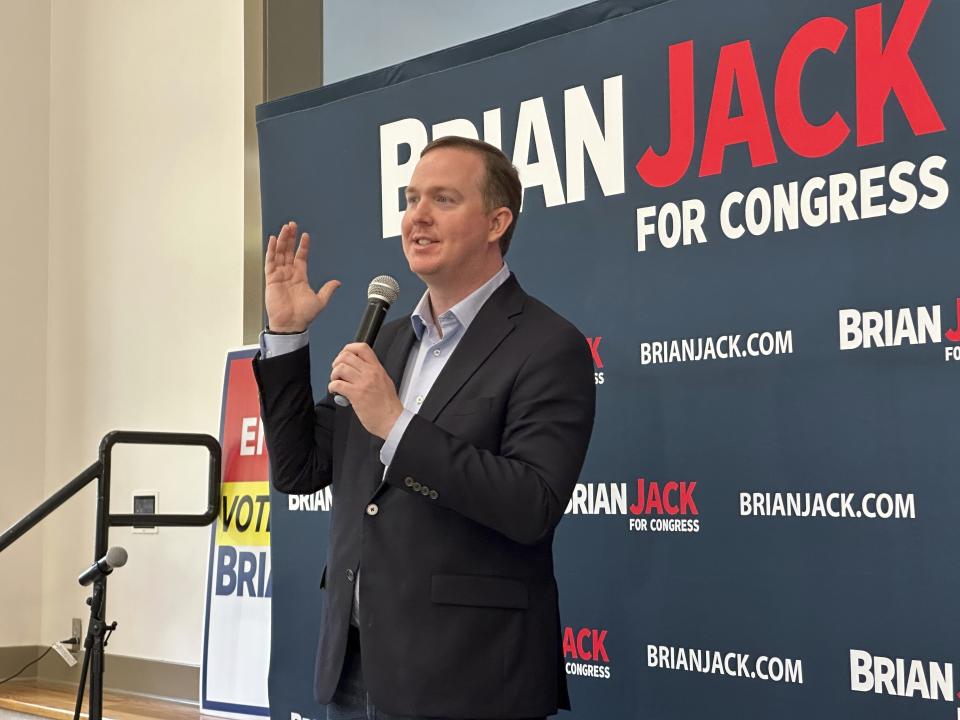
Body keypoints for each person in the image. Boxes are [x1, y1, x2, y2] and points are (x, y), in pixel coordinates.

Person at [253, 136, 596, 720]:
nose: (418, 216)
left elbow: (531, 503)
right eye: (411, 198)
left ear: (496, 221)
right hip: (355, 668)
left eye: (442, 198)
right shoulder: (388, 338)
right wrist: (286, 337)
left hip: (469, 676)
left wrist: (396, 424)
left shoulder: (547, 345)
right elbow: (299, 469)